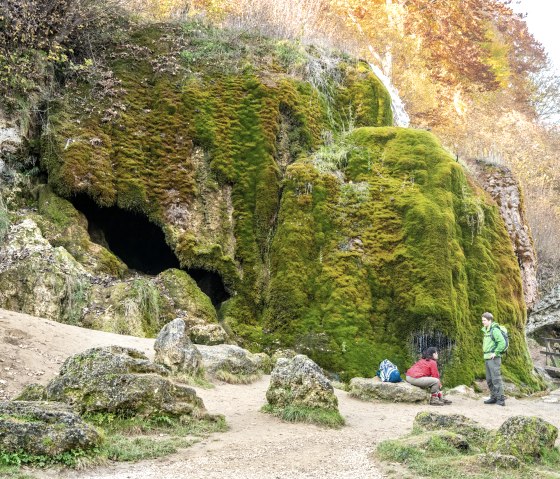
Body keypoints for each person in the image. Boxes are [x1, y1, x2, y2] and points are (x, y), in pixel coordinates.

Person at [481, 311, 506, 406]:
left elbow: (502, 343)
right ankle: (494, 397)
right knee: (489, 379)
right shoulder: (486, 330)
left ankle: (501, 399)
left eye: (484, 320)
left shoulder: (494, 330)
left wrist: (495, 353)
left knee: (496, 379)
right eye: (482, 320)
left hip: (494, 358)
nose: (483, 322)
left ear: (490, 320)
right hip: (487, 358)